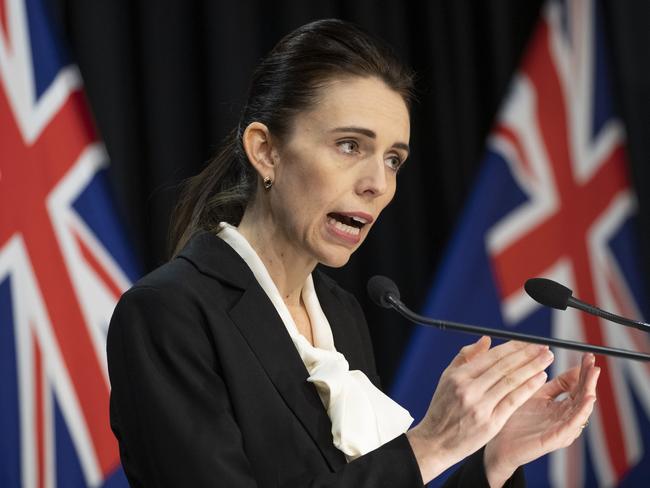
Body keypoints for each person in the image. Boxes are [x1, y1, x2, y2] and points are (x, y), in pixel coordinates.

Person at [107, 19, 600, 487]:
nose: (378, 185)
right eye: (349, 146)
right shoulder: (167, 315)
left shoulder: (341, 314)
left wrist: (494, 458)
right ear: (265, 151)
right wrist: (429, 445)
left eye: (393, 159)